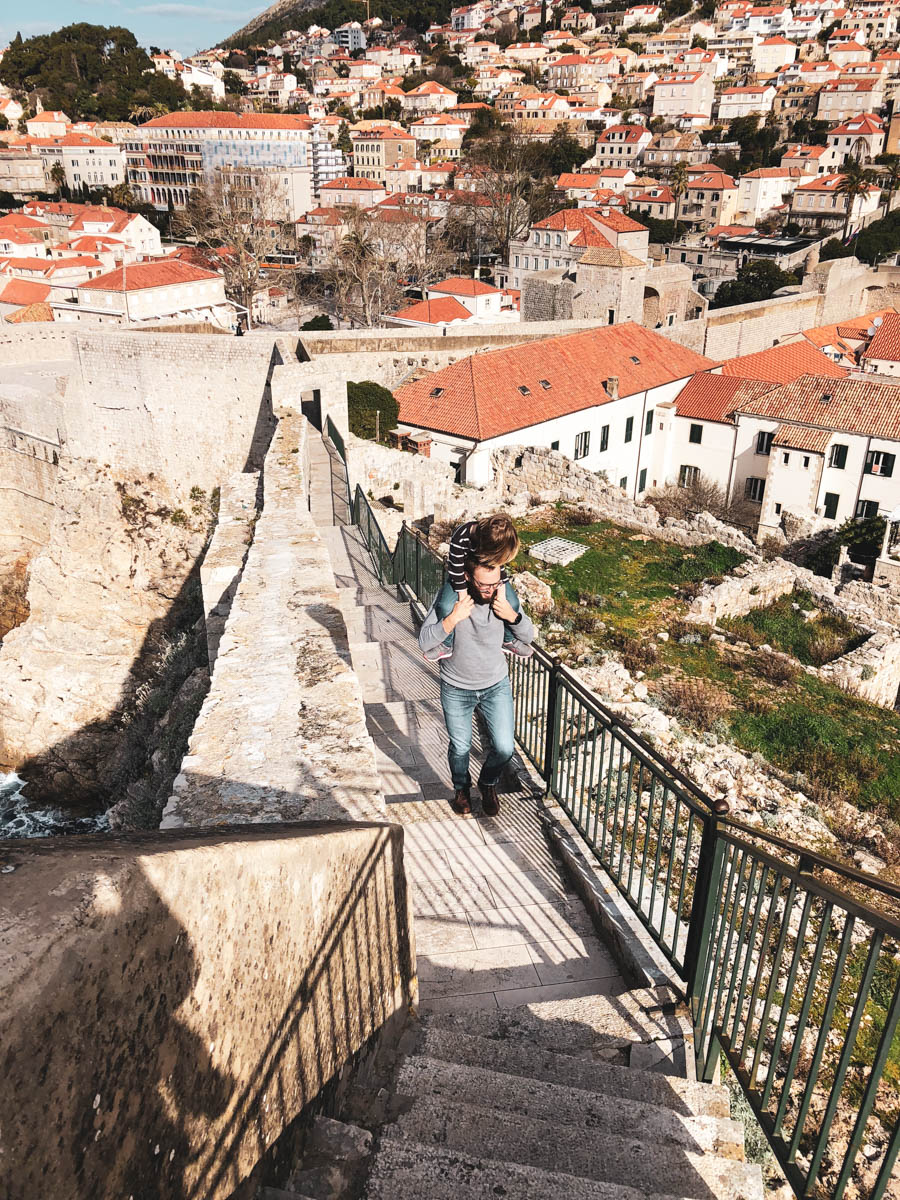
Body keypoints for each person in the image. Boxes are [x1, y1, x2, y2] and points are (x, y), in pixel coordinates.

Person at [418, 552, 535, 817]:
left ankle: (487, 783)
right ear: (469, 578)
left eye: (494, 584)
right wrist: (452, 620)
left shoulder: (502, 598)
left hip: (496, 684)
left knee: (505, 747)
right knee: (460, 746)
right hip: (456, 687)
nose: (490, 590)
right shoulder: (451, 601)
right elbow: (425, 642)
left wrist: (512, 616)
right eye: (484, 585)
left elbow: (529, 638)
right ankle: (461, 789)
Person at [424, 513, 531, 662]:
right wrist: (463, 600)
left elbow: (498, 568)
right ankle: (446, 644)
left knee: (512, 603)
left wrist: (500, 594)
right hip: (461, 576)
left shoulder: (497, 544)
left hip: (488, 576)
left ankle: (508, 640)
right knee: (445, 605)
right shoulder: (461, 536)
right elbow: (455, 570)